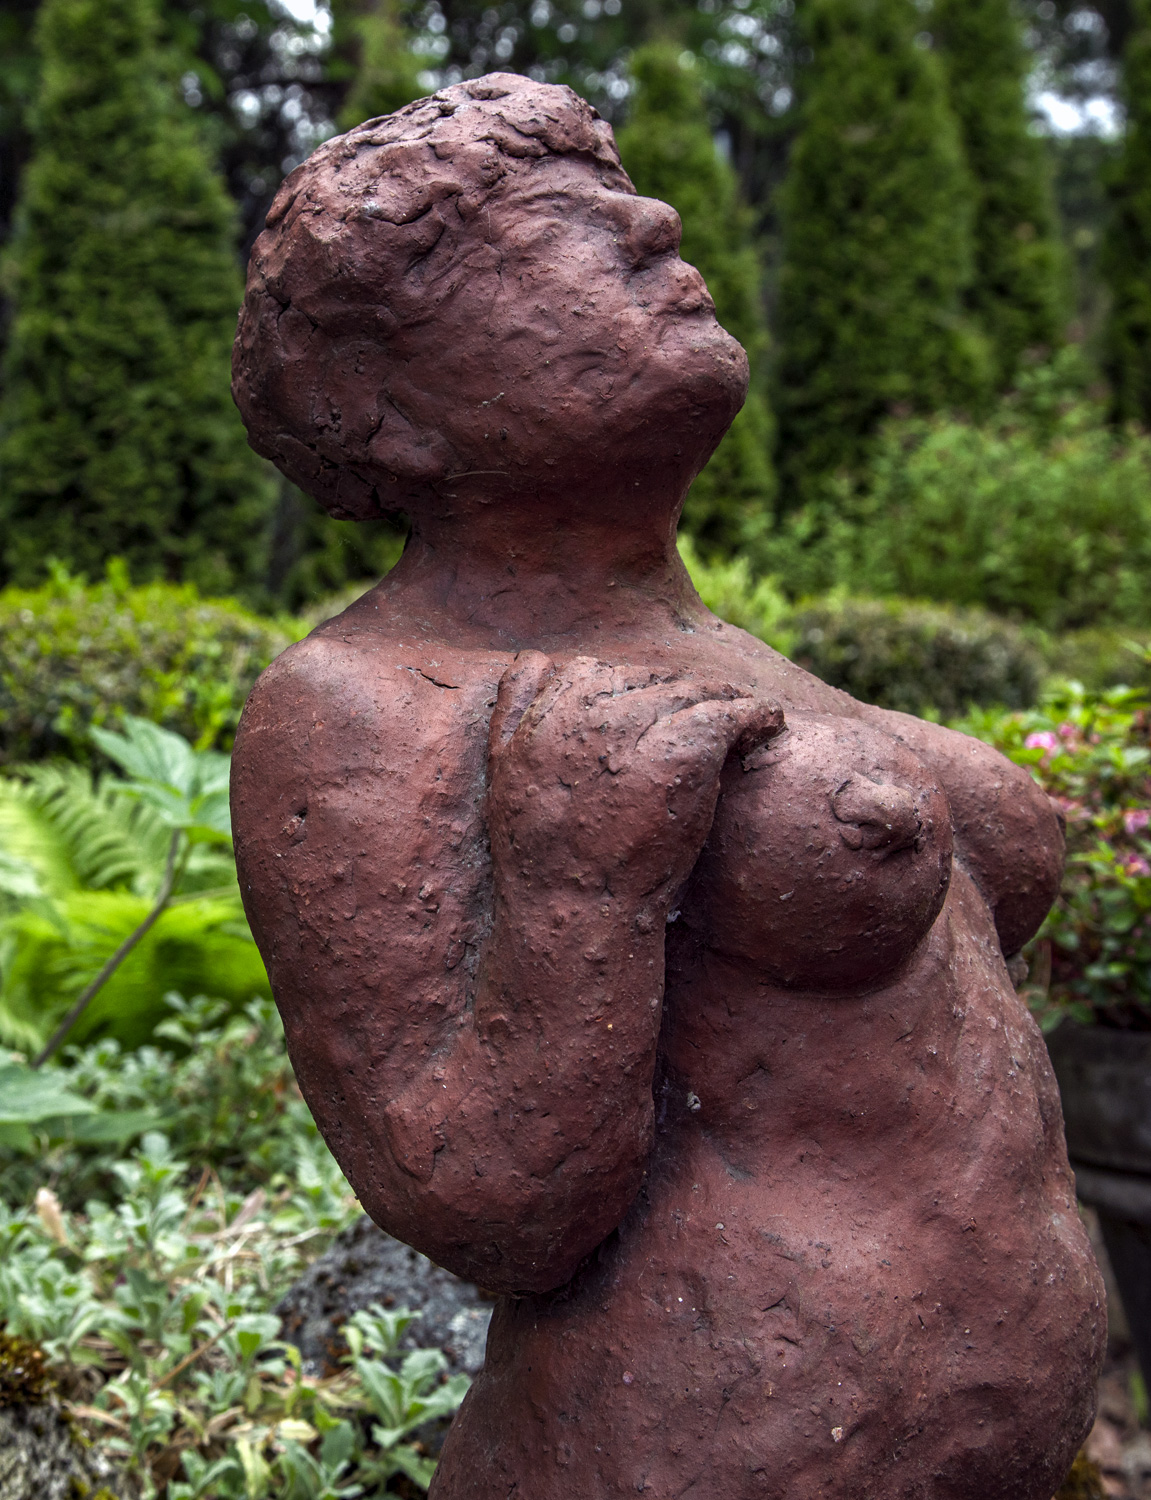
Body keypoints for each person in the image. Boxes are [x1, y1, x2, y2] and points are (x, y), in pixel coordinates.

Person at [230, 74, 1104, 1500]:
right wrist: (576, 886)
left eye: (623, 191)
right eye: (547, 232)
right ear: (385, 410)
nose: (652, 224)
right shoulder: (361, 705)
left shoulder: (713, 647)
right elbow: (488, 1205)